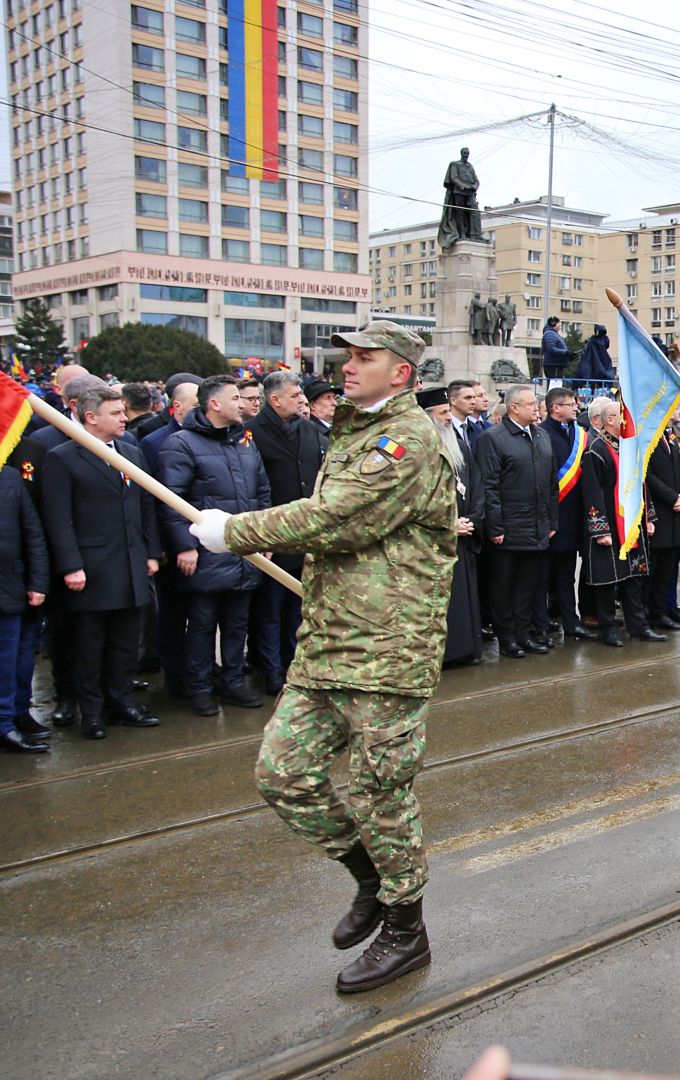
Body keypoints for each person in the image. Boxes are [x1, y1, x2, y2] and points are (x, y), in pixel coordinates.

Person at [188, 320, 457, 993]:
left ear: (401, 372)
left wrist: (234, 531)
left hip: (389, 650)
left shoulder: (406, 441)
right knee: (283, 774)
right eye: (348, 356)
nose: (349, 366)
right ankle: (371, 877)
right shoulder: (355, 430)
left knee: (378, 792)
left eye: (366, 358)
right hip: (331, 642)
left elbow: (335, 518)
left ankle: (406, 928)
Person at [41, 385, 163, 740]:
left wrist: (151, 552)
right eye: (115, 413)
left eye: (124, 412)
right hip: (91, 570)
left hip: (130, 564)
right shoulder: (63, 457)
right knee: (89, 646)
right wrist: (71, 565)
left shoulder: (130, 453)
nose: (125, 418)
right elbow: (58, 519)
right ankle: (91, 712)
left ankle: (121, 701)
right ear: (90, 417)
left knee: (126, 642)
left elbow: (145, 506)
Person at [160, 375, 273, 716]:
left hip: (243, 551)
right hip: (206, 553)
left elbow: (262, 492)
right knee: (203, 624)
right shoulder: (181, 443)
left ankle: (233, 682)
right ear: (214, 404)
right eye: (235, 397)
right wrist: (185, 546)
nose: (243, 404)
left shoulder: (245, 441)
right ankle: (200, 687)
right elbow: (170, 500)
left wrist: (265, 535)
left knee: (237, 623)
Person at [245, 371, 322, 694]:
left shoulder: (309, 430)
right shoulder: (251, 433)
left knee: (299, 606)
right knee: (269, 610)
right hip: (273, 533)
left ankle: (295, 664)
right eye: (296, 396)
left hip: (305, 532)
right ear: (274, 400)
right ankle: (271, 670)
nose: (303, 400)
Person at [474, 385, 558, 658]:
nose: (537, 408)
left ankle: (524, 635)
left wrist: (551, 521)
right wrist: (495, 527)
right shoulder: (493, 438)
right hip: (508, 528)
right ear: (514, 408)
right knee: (503, 587)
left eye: (537, 404)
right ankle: (507, 637)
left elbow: (551, 484)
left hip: (537, 526)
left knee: (527, 586)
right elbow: (489, 486)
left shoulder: (541, 435)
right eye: (532, 404)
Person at [578, 397, 662, 646]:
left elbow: (641, 485)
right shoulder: (595, 449)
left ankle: (638, 626)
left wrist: (650, 516)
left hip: (632, 523)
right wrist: (599, 529)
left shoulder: (629, 447)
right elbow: (592, 492)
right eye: (622, 414)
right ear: (610, 420)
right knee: (609, 580)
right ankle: (608, 628)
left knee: (633, 579)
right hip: (610, 526)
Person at [420, 386, 484, 667]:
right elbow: (419, 497)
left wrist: (472, 518)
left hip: (465, 530)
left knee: (465, 597)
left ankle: (466, 648)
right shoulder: (421, 449)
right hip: (437, 537)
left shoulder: (455, 441)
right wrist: (449, 523)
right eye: (443, 412)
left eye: (448, 411)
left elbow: (476, 481)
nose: (448, 417)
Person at [537, 386, 595, 642]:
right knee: (541, 577)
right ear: (555, 408)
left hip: (573, 516)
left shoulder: (578, 433)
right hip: (550, 517)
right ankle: (540, 626)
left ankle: (571, 623)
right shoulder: (541, 434)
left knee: (566, 575)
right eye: (570, 404)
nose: (576, 407)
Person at [0, 459, 49, 752]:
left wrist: (38, 583)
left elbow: (32, 533)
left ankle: (15, 715)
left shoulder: (9, 477)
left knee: (17, 658)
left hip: (13, 587)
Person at [644, 417, 680, 631]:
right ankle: (649, 613)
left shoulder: (670, 434)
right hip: (660, 511)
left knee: (668, 567)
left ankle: (662, 610)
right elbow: (648, 476)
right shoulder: (647, 434)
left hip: (676, 513)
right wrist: (673, 497)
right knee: (653, 569)